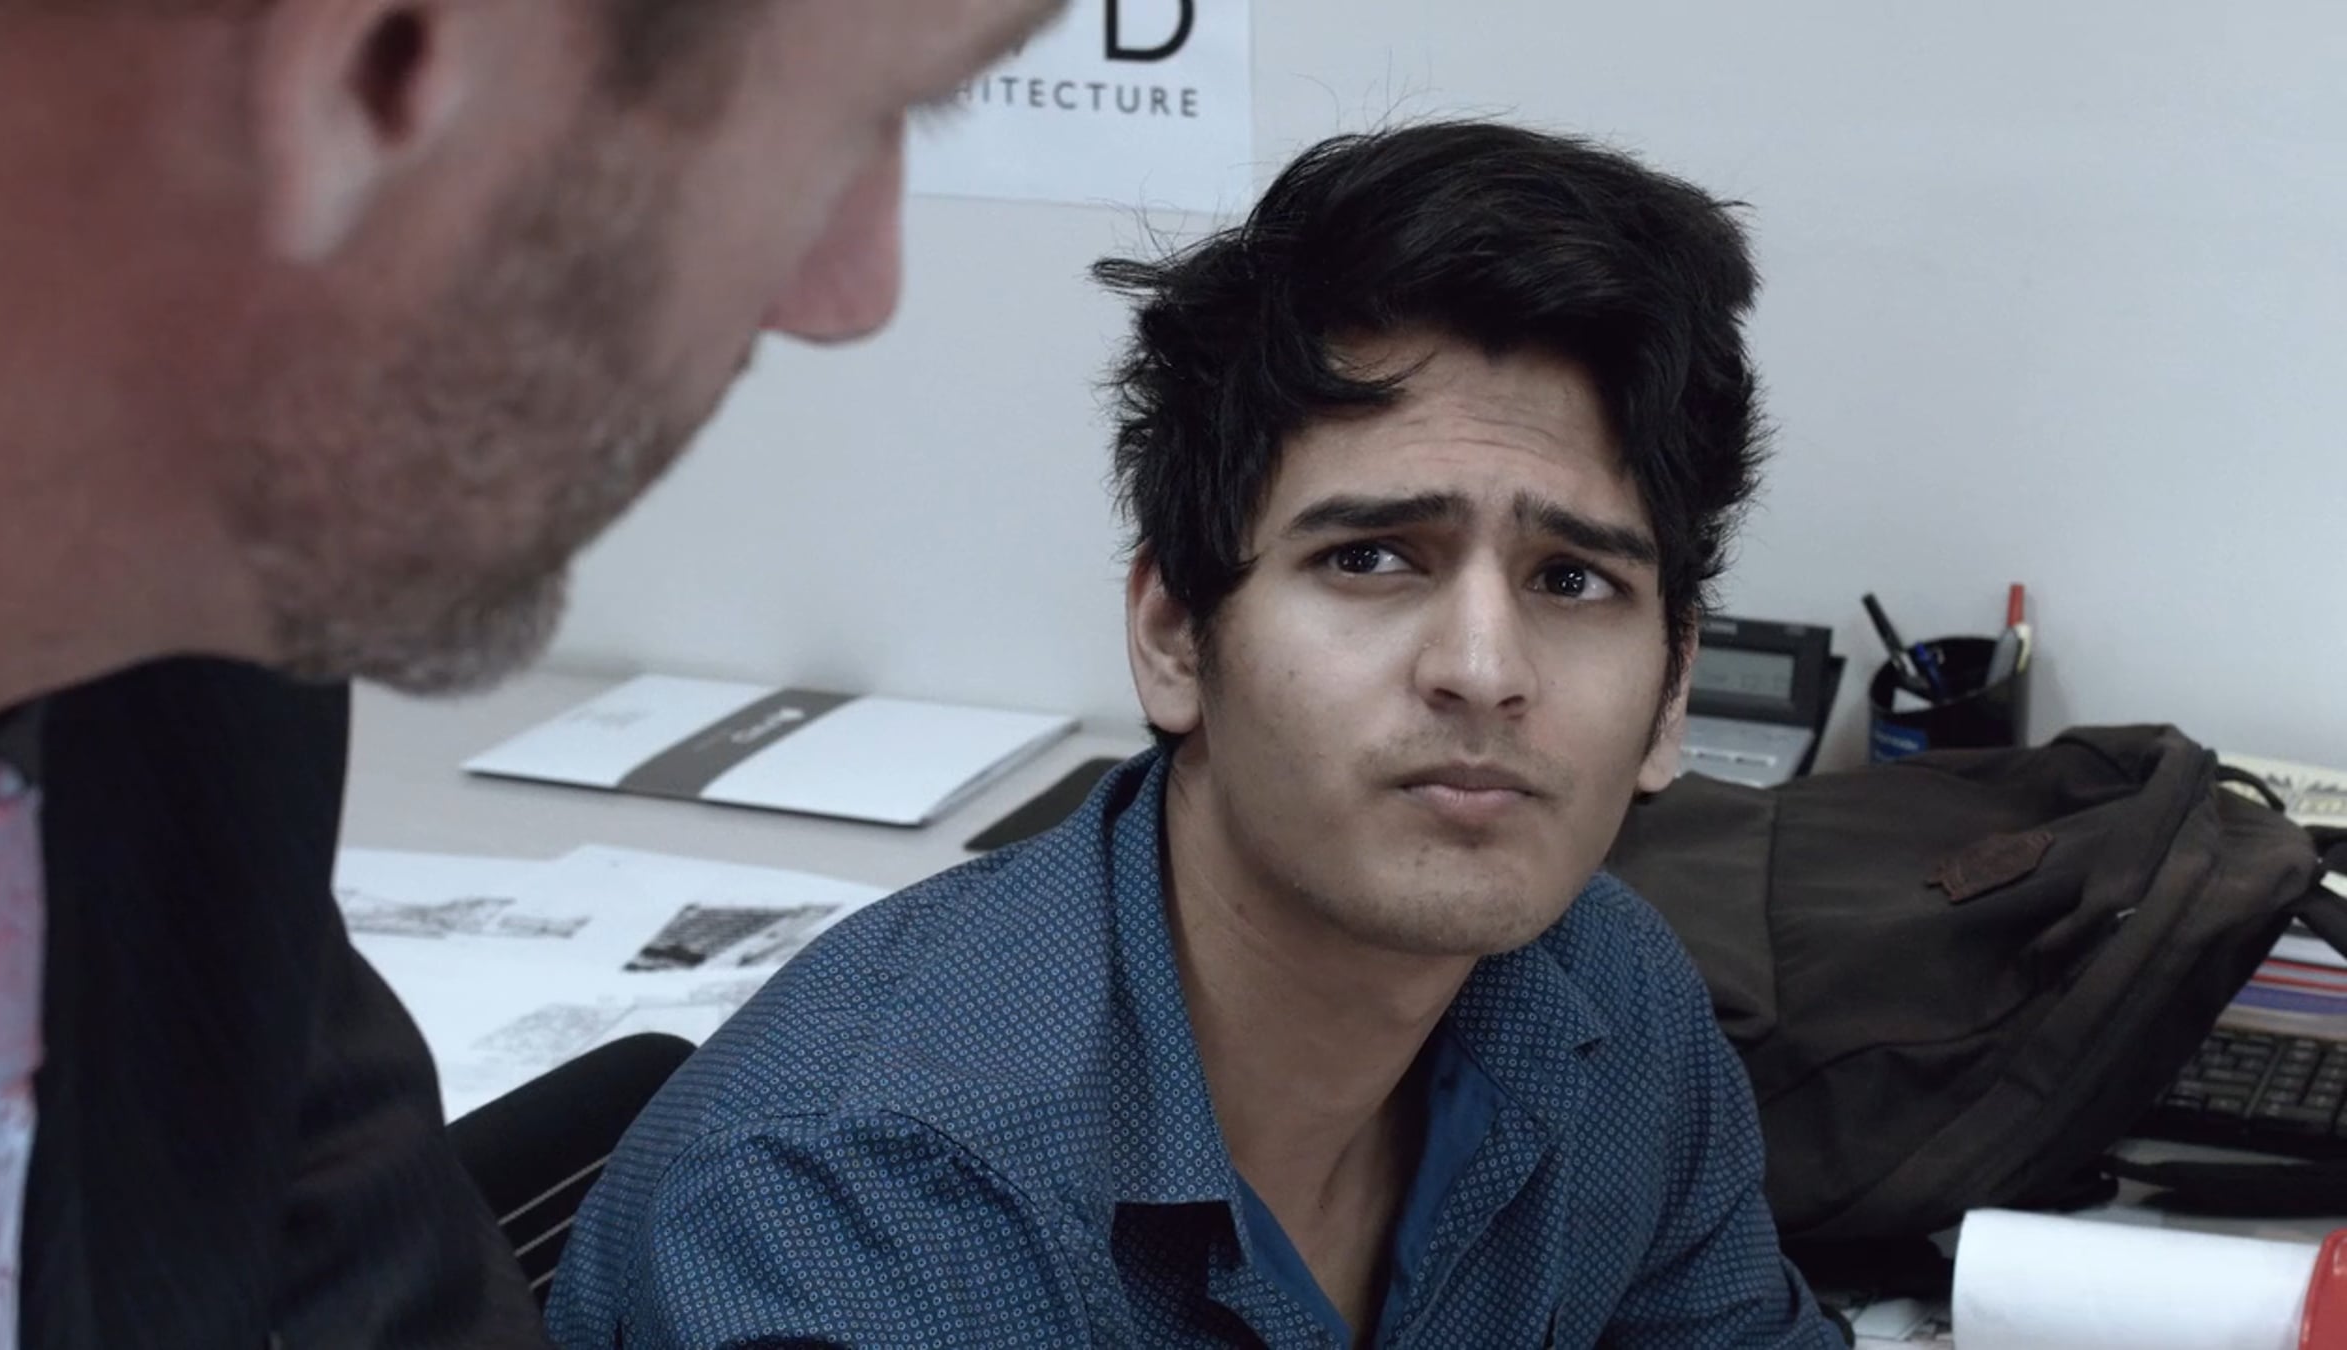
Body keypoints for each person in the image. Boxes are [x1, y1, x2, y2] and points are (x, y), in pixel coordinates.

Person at [548, 120, 1845, 1348]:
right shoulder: (859, 1209)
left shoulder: (1609, 994)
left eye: (1572, 580)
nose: (1482, 670)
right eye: (1373, 556)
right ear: (1175, 632)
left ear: (1673, 688)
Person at [0, 0, 1063, 1345]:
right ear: (377, 59)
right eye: (862, 121)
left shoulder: (187, 638)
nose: (851, 295)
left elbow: (363, 1272)